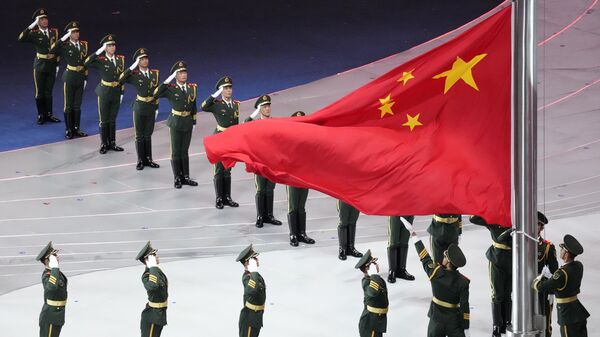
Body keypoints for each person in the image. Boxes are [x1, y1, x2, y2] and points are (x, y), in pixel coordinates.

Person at [403, 217, 470, 337]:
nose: (443, 257)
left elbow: (424, 256)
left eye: (445, 256)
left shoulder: (435, 273)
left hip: (436, 320)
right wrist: (466, 327)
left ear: (448, 261)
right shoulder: (463, 282)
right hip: (454, 323)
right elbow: (465, 307)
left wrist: (413, 234)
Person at [153, 61, 198, 189]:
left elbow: (193, 106)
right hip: (176, 121)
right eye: (180, 73)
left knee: (184, 151)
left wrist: (194, 121)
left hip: (187, 121)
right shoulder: (170, 88)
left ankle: (186, 177)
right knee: (176, 151)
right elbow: (156, 93)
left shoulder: (192, 88)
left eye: (184, 72)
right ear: (175, 75)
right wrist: (168, 80)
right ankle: (177, 177)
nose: (183, 75)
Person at [533, 234, 589, 337]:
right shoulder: (578, 266)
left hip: (567, 314)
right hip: (578, 311)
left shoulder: (561, 273)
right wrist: (552, 276)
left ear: (566, 255)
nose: (561, 251)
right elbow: (564, 281)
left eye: (562, 249)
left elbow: (540, 287)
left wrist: (538, 279)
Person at [469, 215, 512, 336]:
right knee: (497, 294)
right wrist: (484, 210)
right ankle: (497, 325)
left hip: (511, 261)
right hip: (496, 261)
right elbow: (474, 219)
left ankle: (507, 323)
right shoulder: (494, 221)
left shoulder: (515, 222)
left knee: (508, 294)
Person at [201, 76, 240, 209]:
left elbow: (236, 123)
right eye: (225, 88)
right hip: (219, 138)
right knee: (219, 169)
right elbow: (204, 106)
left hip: (230, 139)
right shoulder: (216, 104)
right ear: (221, 90)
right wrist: (215, 94)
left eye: (230, 88)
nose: (229, 90)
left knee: (227, 169)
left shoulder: (236, 104)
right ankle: (219, 198)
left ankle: (227, 197)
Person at [18, 8, 61, 125]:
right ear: (37, 21)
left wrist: (57, 64)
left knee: (49, 91)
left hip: (51, 64)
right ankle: (41, 114)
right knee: (40, 92)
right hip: (40, 64)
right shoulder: (34, 33)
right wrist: (32, 25)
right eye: (41, 19)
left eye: (45, 18)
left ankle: (49, 114)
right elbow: (21, 38)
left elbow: (58, 49)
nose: (45, 21)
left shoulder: (54, 32)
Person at [84, 34, 125, 153]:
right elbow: (86, 62)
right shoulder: (100, 60)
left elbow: (122, 77)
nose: (112, 47)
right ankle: (104, 143)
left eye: (113, 45)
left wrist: (122, 92)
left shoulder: (120, 59)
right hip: (105, 91)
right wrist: (98, 52)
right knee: (104, 119)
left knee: (112, 119)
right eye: (109, 46)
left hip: (116, 91)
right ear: (105, 48)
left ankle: (112, 142)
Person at [120, 48, 160, 170]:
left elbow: (156, 92)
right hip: (140, 106)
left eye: (145, 58)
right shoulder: (135, 75)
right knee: (139, 135)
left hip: (151, 106)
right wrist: (133, 66)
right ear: (137, 61)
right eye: (141, 59)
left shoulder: (154, 74)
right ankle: (140, 160)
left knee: (148, 134)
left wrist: (157, 107)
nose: (144, 61)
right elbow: (121, 79)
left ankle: (149, 159)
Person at [245, 95, 282, 227]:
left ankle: (269, 215)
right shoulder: (254, 124)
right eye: (264, 106)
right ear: (259, 109)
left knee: (270, 188)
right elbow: (245, 124)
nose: (267, 109)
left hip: (271, 161)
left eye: (268, 106)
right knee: (261, 189)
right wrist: (254, 114)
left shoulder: (275, 122)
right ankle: (260, 216)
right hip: (259, 161)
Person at [50, 21, 89, 139]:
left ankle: (76, 128)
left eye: (77, 31)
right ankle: (68, 129)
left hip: (80, 77)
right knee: (68, 105)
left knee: (77, 105)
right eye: (73, 32)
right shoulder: (65, 46)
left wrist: (86, 77)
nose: (76, 34)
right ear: (69, 34)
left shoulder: (84, 45)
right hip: (70, 76)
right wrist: (63, 38)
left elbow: (85, 62)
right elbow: (52, 49)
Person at [286, 111, 316, 246]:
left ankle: (302, 233)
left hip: (304, 176)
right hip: (292, 176)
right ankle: (293, 234)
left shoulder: (308, 140)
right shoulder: (288, 139)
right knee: (293, 206)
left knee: (301, 206)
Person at [136, 241, 168, 337]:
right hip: (152, 316)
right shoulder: (147, 275)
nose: (157, 257)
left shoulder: (156, 271)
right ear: (148, 259)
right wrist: (153, 266)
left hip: (159, 313)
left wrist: (154, 267)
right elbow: (153, 286)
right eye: (154, 255)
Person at [36, 241, 68, 337]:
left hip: (57, 313)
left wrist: (55, 268)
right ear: (47, 260)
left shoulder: (55, 272)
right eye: (54, 256)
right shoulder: (47, 275)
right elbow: (52, 288)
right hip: (50, 316)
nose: (57, 257)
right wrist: (54, 268)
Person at [355, 249, 389, 337]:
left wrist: (374, 275)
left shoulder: (376, 279)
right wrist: (374, 274)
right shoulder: (366, 282)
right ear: (367, 268)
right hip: (370, 323)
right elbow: (373, 292)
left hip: (377, 320)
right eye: (373, 264)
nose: (377, 264)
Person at [236, 244, 267, 337]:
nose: (257, 260)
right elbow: (252, 290)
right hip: (249, 319)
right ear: (247, 263)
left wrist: (254, 272)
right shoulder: (247, 277)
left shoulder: (255, 275)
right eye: (254, 259)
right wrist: (254, 271)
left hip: (256, 316)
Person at [536, 211, 559, 337]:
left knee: (545, 316)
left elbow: (555, 271)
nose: (534, 226)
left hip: (541, 287)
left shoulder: (547, 247)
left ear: (541, 227)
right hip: (524, 286)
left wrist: (551, 290)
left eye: (537, 224)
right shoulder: (519, 243)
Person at [387, 216, 415, 282]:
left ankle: (401, 270)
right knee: (393, 241)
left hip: (409, 210)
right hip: (395, 211)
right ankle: (392, 270)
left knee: (404, 241)